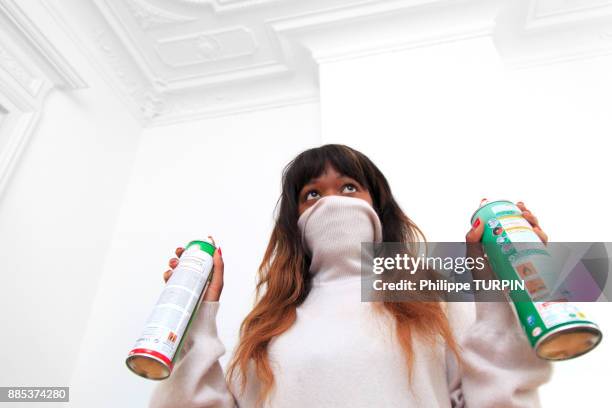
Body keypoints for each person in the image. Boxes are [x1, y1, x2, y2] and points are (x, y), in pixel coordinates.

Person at [150, 144, 552, 408]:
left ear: (378, 206)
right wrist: (195, 325)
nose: (331, 203)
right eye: (312, 194)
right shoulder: (264, 329)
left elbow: (497, 397)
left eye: (348, 187)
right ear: (295, 221)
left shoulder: (430, 295)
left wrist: (504, 285)